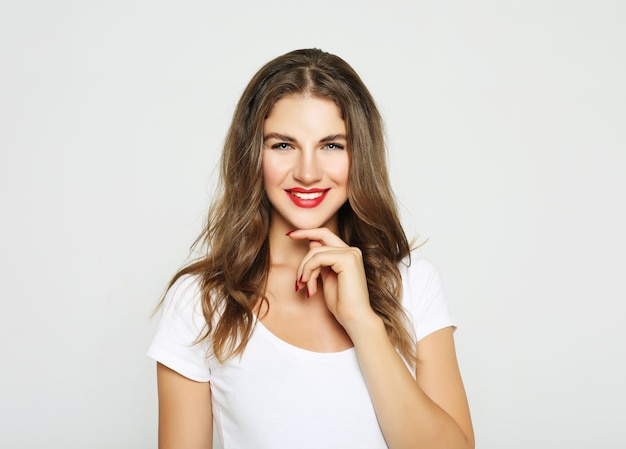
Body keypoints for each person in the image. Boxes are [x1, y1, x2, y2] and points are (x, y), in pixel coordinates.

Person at [148, 48, 474, 449]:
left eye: (332, 145)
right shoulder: (202, 302)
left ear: (360, 157)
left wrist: (362, 322)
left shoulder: (413, 284)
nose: (307, 172)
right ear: (253, 155)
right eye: (283, 145)